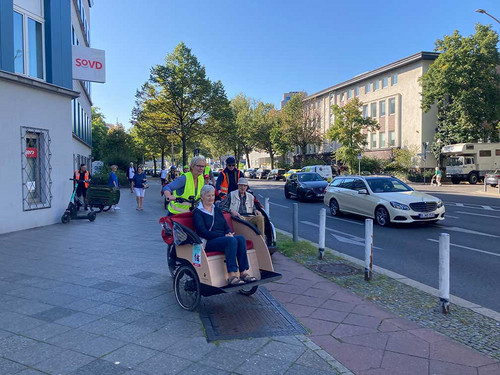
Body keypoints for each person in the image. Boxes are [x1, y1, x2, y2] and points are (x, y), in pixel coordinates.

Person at [193, 184, 257, 286]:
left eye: (213, 195)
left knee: (240, 238)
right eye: (208, 196)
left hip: (221, 237)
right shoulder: (198, 212)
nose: (211, 198)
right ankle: (231, 275)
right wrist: (223, 236)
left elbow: (225, 225)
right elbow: (202, 232)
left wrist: (228, 232)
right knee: (230, 240)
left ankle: (243, 272)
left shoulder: (216, 209)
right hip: (208, 241)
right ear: (202, 196)